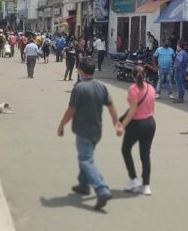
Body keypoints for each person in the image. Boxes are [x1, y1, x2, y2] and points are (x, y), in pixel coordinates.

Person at [56, 59, 120, 210]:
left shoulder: (79, 88)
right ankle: (84, 185)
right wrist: (116, 124)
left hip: (83, 131)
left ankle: (101, 189)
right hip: (97, 130)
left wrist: (61, 125)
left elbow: (71, 110)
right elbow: (111, 106)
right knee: (85, 156)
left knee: (86, 160)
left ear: (80, 71)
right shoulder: (101, 86)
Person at [118, 66, 156, 195]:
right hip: (150, 123)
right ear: (145, 75)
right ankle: (146, 185)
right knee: (145, 155)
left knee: (125, 150)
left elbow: (133, 110)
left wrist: (122, 126)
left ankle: (134, 179)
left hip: (137, 124)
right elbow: (152, 109)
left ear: (133, 76)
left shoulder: (133, 89)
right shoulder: (151, 88)